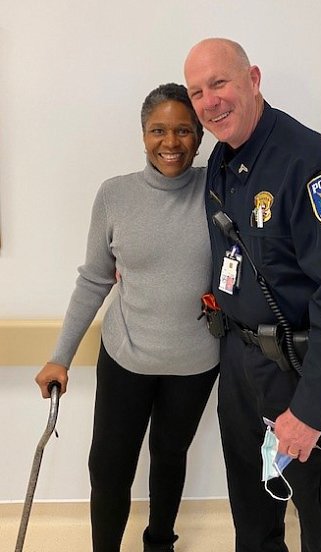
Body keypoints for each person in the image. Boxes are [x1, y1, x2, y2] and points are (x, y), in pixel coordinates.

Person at [184, 38, 321, 552]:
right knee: (252, 518)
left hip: (305, 370)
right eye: (197, 92)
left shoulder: (312, 167)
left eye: (219, 83)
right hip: (243, 369)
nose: (209, 102)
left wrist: (310, 412)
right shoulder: (222, 160)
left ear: (254, 79)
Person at [35, 83, 219, 552]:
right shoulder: (114, 195)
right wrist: (61, 357)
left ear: (199, 137)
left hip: (195, 361)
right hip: (125, 356)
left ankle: (160, 542)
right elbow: (95, 279)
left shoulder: (219, 190)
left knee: (169, 456)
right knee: (109, 466)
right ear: (143, 135)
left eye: (183, 130)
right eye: (158, 130)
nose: (170, 142)